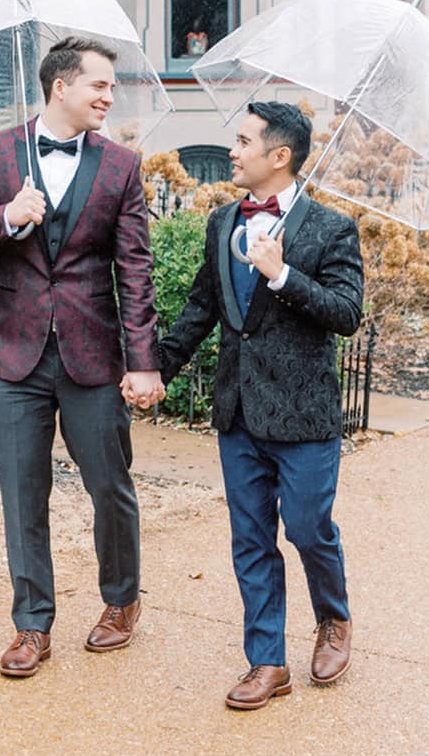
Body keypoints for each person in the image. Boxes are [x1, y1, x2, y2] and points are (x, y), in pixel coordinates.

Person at [0, 37, 164, 679]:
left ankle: (121, 599)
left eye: (112, 87)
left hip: (93, 355)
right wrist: (6, 218)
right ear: (60, 87)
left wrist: (142, 359)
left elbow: (135, 270)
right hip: (15, 355)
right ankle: (31, 624)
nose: (109, 96)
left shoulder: (120, 166)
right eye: (99, 85)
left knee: (110, 485)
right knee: (22, 492)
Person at [156, 102, 365, 711]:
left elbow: (347, 314)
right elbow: (203, 306)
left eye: (244, 141)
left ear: (280, 156)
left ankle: (333, 617)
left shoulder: (332, 228)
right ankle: (267, 661)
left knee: (306, 527)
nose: (233, 150)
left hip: (304, 415)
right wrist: (156, 369)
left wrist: (282, 276)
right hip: (239, 410)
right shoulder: (223, 221)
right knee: (250, 538)